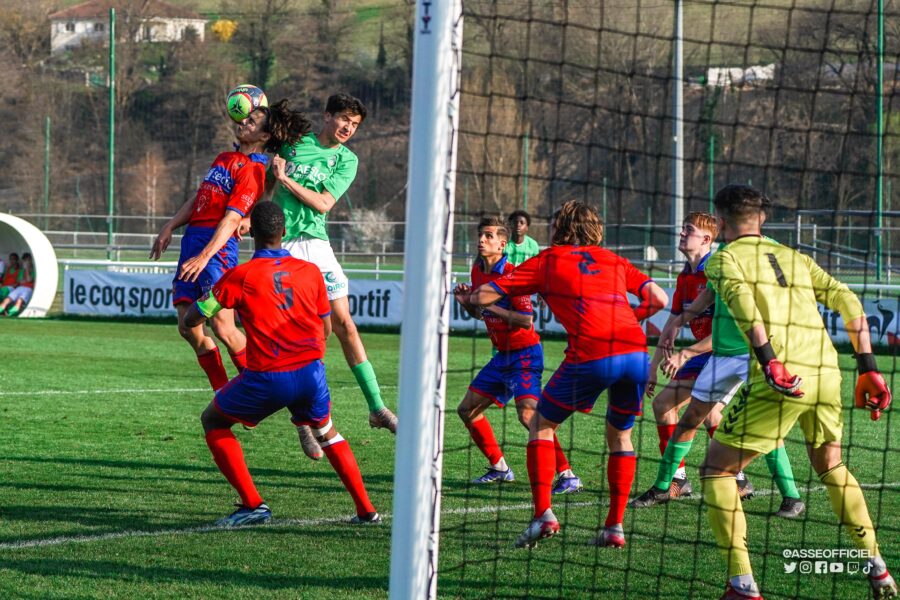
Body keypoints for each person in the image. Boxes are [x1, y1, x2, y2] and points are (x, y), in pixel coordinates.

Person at [697, 184, 894, 600]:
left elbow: (743, 304)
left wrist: (769, 360)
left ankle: (742, 585)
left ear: (718, 222)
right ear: (762, 218)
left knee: (717, 469)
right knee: (830, 466)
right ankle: (877, 567)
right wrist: (868, 367)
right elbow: (848, 299)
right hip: (827, 372)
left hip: (782, 377)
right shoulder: (794, 256)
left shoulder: (724, 259)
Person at [469, 200, 668, 549]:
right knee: (621, 437)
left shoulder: (546, 260)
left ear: (559, 228)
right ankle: (614, 527)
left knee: (541, 425)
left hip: (592, 353)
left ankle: (543, 514)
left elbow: (482, 293)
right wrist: (628, 319)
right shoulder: (613, 259)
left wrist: (487, 297)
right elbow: (659, 298)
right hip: (635, 352)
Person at [184, 201, 380, 527]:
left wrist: (199, 308)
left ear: (251, 235)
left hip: (269, 376)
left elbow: (196, 315)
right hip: (311, 371)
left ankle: (253, 504)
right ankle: (366, 510)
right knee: (328, 432)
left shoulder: (240, 276)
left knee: (213, 421)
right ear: (284, 232)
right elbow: (325, 326)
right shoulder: (311, 273)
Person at [269, 92, 396, 463]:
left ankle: (377, 407)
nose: (348, 128)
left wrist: (286, 182)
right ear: (326, 116)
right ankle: (304, 423)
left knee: (346, 326)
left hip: (318, 246)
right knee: (300, 336)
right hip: (284, 247)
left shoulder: (347, 159)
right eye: (343, 119)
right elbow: (265, 176)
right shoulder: (294, 143)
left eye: (355, 125)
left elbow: (324, 203)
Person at [151, 99, 309, 392]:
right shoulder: (224, 158)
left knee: (223, 326)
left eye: (251, 122)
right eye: (245, 119)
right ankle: (224, 393)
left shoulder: (252, 170)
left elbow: (231, 218)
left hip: (216, 249)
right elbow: (200, 198)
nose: (242, 123)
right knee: (187, 325)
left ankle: (258, 388)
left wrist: (204, 256)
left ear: (264, 136)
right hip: (193, 242)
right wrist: (170, 226)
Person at [454, 217, 582, 493]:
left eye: (489, 236)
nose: (482, 240)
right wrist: (468, 304)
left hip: (525, 355)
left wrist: (487, 302)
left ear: (503, 244)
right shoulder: (477, 271)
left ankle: (567, 474)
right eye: (480, 235)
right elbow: (480, 313)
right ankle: (499, 467)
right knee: (466, 410)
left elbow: (525, 320)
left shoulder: (513, 273)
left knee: (529, 416)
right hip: (502, 357)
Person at [0, 252, 34, 317]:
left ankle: (9, 314)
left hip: (28, 289)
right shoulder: (20, 270)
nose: (26, 263)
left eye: (28, 261)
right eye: (25, 261)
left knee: (19, 301)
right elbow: (20, 281)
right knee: (6, 300)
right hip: (20, 287)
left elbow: (29, 280)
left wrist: (26, 269)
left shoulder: (33, 271)